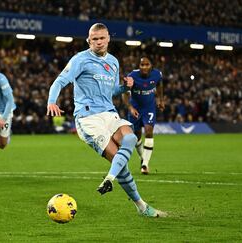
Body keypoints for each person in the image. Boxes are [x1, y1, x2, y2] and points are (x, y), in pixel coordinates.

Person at [47, 23, 166, 217]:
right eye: (94, 39)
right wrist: (52, 101)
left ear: (109, 38)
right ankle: (141, 206)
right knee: (121, 164)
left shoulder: (113, 61)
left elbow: (110, 92)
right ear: (89, 41)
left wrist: (125, 87)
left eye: (102, 38)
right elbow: (60, 81)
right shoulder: (80, 59)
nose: (99, 42)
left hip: (109, 113)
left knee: (131, 138)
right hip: (88, 119)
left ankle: (110, 178)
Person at [123, 57, 164, 174]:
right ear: (138, 66)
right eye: (142, 65)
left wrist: (160, 100)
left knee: (149, 131)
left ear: (151, 66)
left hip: (149, 108)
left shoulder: (157, 75)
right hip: (135, 109)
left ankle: (145, 164)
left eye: (147, 65)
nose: (145, 67)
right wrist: (130, 108)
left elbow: (160, 85)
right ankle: (143, 158)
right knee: (136, 137)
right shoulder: (132, 76)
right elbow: (124, 94)